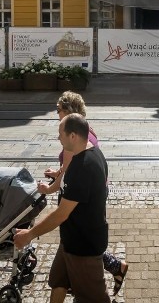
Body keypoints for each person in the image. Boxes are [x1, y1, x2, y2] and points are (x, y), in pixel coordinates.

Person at [14, 113, 111, 303]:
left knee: (95, 299)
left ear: (73, 136)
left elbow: (61, 214)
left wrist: (30, 234)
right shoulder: (88, 155)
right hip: (70, 241)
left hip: (83, 247)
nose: (58, 138)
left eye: (61, 133)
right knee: (58, 282)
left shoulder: (84, 166)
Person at [39, 92, 128, 296]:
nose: (57, 113)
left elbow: (70, 178)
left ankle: (116, 266)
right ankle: (116, 266)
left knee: (87, 274)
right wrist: (59, 173)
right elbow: (68, 171)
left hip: (79, 225)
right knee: (59, 279)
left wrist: (49, 188)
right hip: (78, 226)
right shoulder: (87, 132)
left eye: (58, 109)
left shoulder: (77, 149)